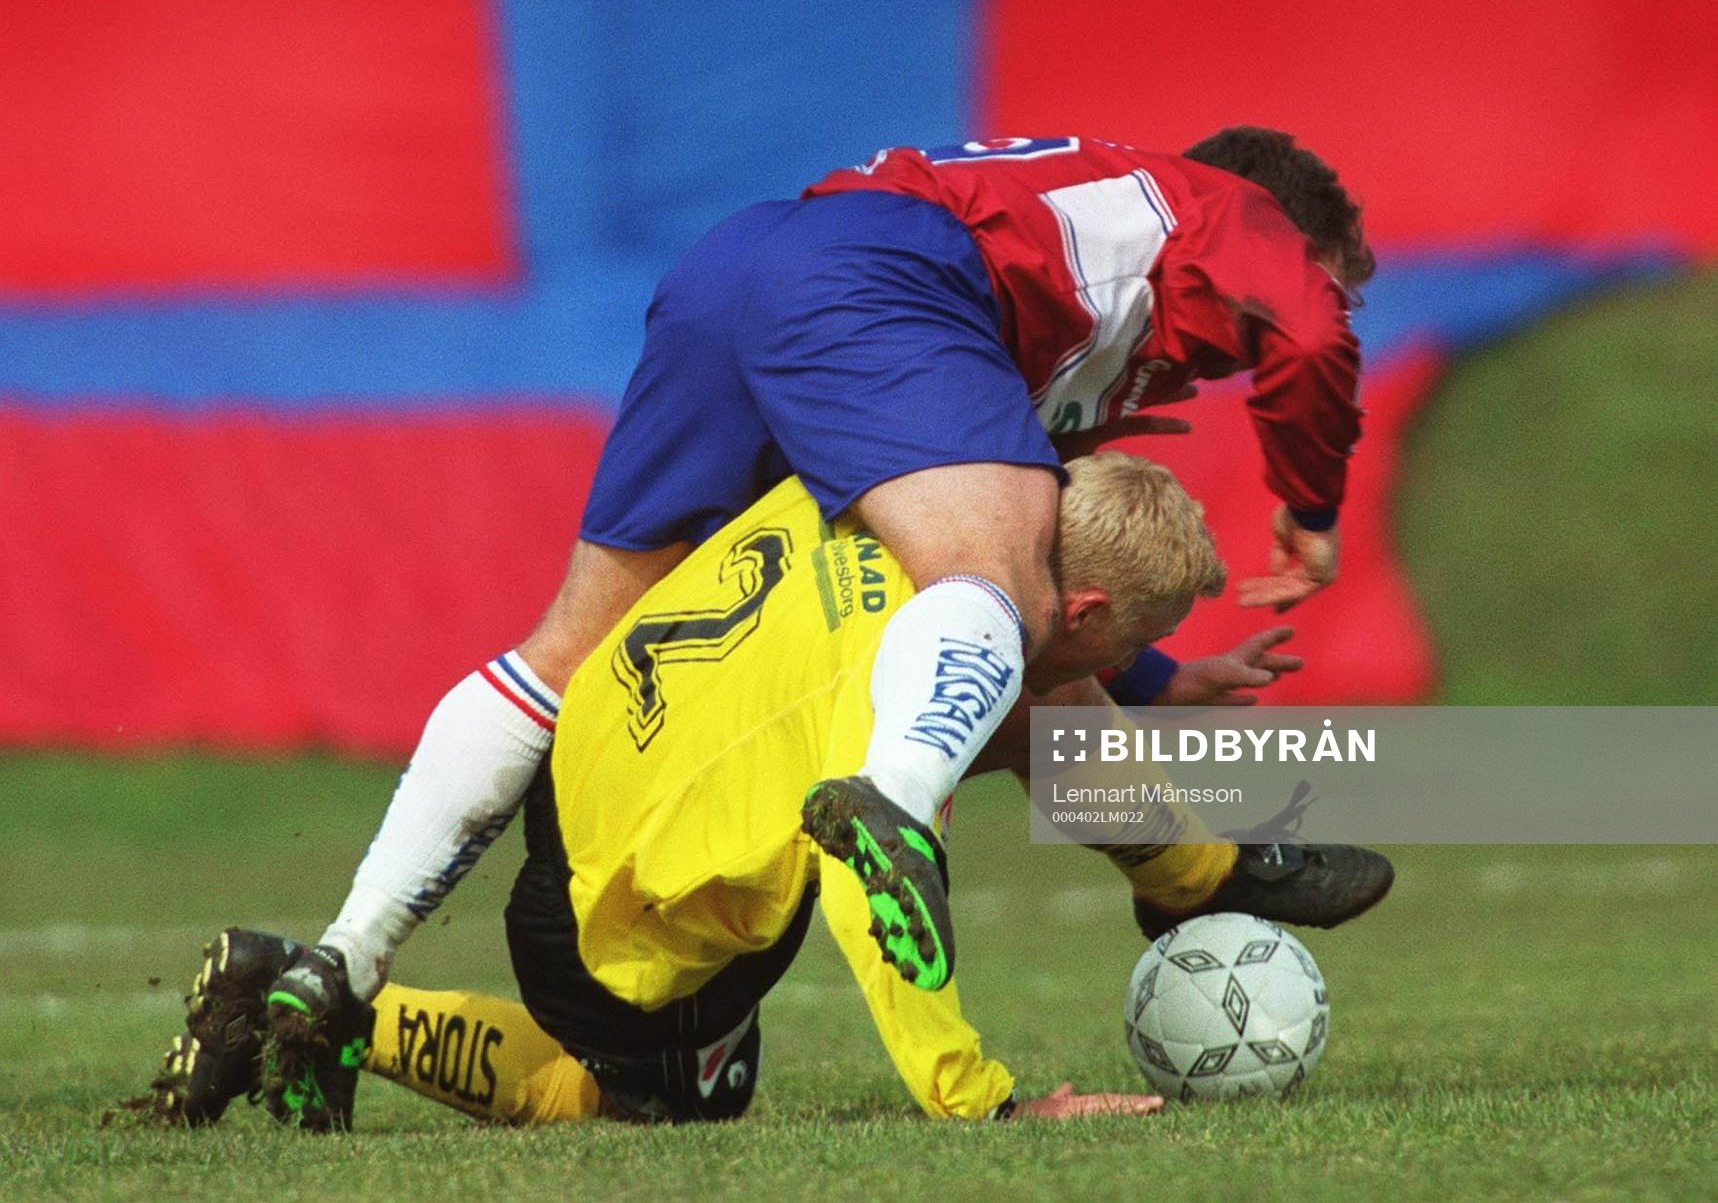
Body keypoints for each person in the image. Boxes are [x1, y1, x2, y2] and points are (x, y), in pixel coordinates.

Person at [274, 126, 1375, 1030]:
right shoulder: (1223, 212)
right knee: (999, 595)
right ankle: (898, 808)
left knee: (562, 653)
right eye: (1329, 281)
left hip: (742, 266)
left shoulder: (1091, 281)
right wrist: (1310, 506)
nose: (1262, 340)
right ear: (1279, 225)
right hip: (883, 270)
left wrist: (1151, 681)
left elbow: (1043, 618)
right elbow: (1311, 335)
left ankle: (339, 962)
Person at [151, 455, 1391, 1129]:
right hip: (619, 907)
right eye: (1127, 641)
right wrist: (983, 1095)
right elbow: (875, 882)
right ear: (1078, 607)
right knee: (650, 1100)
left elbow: (1042, 670)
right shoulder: (939, 675)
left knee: (1041, 705)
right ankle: (319, 1009)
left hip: (592, 760)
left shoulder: (915, 484)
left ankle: (1196, 875)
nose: (1127, 666)